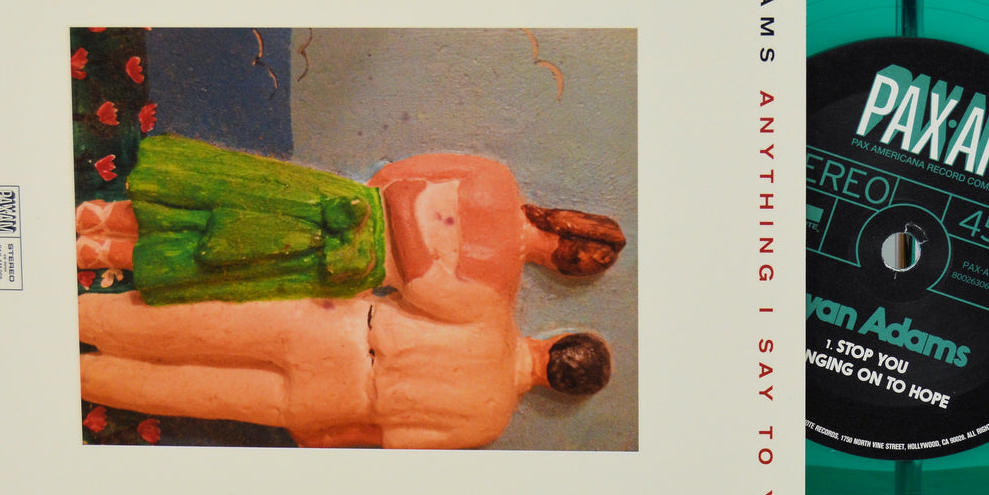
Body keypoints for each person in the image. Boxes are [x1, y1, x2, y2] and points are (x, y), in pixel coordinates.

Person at [74, 136, 626, 306]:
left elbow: (424, 291)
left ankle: (103, 245)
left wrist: (405, 214)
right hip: (340, 207)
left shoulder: (498, 280)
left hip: (345, 258)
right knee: (223, 195)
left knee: (223, 258)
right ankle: (104, 223)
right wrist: (409, 235)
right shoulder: (495, 182)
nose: (565, 251)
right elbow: (397, 176)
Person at [78, 288, 611, 449]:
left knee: (196, 327)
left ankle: (82, 320)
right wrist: (325, 437)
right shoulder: (488, 422)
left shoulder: (491, 312)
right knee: (186, 392)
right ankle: (81, 377)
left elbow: (412, 284)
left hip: (336, 331)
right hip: (337, 401)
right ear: (558, 389)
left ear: (557, 340)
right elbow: (384, 437)